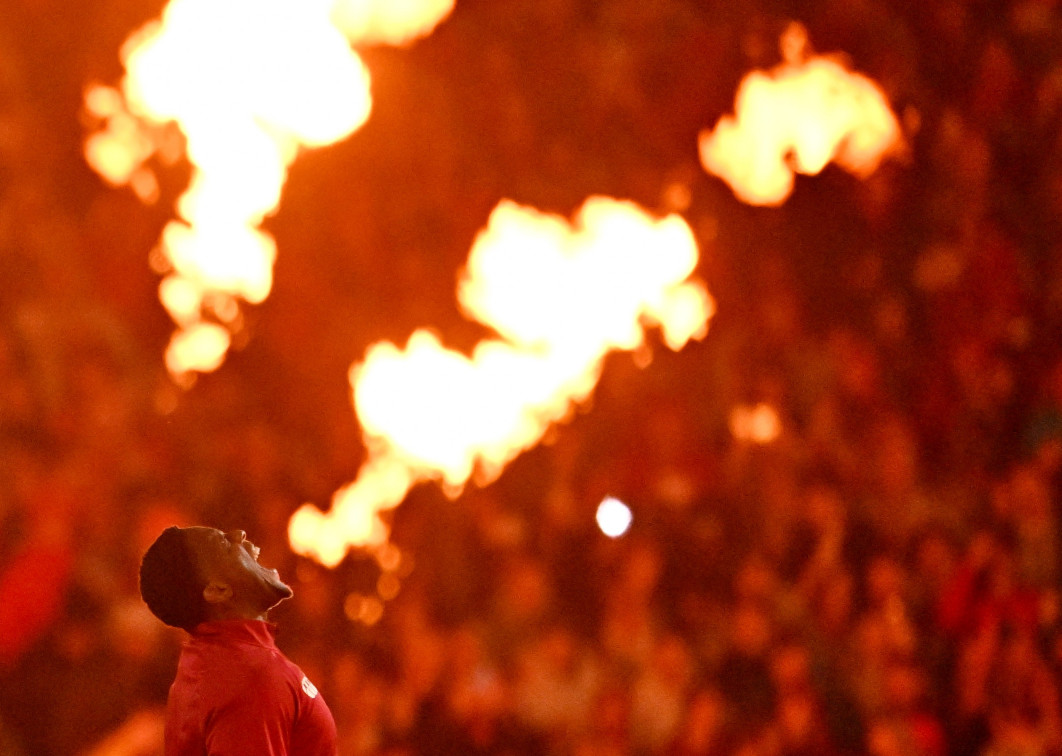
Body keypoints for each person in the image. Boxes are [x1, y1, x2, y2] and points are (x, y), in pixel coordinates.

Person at [139, 525, 337, 755]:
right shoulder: (249, 678)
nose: (240, 535)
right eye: (225, 545)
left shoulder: (219, 662)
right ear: (218, 590)